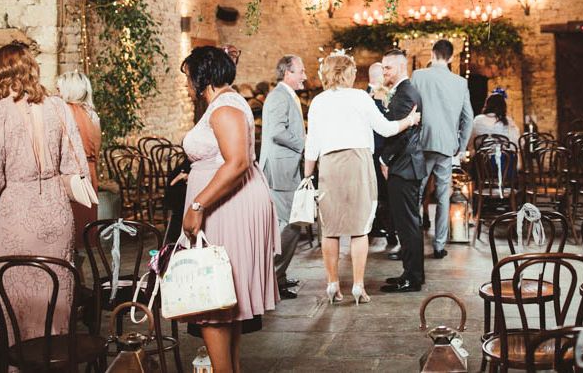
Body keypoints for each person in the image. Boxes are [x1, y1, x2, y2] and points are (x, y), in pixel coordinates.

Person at [0, 43, 89, 342]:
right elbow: (73, 164)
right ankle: (57, 357)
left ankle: (22, 358)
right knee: (57, 295)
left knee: (19, 302)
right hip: (56, 212)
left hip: (16, 213)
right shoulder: (58, 107)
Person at [180, 46, 279, 373]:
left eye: (188, 77)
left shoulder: (224, 108)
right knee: (222, 299)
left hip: (226, 206)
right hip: (228, 202)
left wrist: (197, 204)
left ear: (202, 75)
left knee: (211, 300)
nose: (187, 85)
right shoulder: (225, 104)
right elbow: (222, 157)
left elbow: (237, 162)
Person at [303, 52, 420, 305]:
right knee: (359, 229)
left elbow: (311, 145)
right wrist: (409, 120)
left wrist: (307, 176)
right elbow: (386, 129)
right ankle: (358, 286)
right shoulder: (360, 98)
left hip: (330, 165)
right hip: (358, 163)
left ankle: (332, 284)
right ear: (347, 73)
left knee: (330, 230)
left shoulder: (319, 102)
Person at [411, 39, 473, 259]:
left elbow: (410, 108)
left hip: (421, 143)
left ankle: (413, 243)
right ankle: (438, 245)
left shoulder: (418, 76)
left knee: (416, 193)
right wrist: (461, 145)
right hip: (447, 146)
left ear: (432, 53)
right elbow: (468, 118)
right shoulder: (460, 83)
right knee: (443, 195)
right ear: (451, 57)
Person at [259, 55, 307, 300]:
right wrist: (304, 143)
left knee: (290, 223)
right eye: (301, 71)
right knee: (290, 224)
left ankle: (277, 277)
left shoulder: (286, 94)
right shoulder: (279, 96)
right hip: (280, 170)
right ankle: (272, 278)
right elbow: (277, 131)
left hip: (285, 167)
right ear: (288, 72)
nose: (304, 76)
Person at [378, 49, 426, 293]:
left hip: (404, 166)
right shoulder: (402, 91)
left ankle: (413, 278)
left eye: (387, 67)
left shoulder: (406, 93)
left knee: (408, 225)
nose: (384, 72)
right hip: (405, 165)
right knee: (406, 223)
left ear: (399, 67)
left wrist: (385, 159)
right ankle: (410, 273)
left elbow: (400, 134)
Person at [57, 70, 101, 251]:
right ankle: (78, 276)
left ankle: (73, 276)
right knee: (82, 235)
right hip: (89, 174)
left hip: (73, 177)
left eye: (59, 89)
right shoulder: (91, 113)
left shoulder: (66, 112)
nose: (56, 94)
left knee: (69, 235)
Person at [368, 62, 398, 249]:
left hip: (379, 153)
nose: (387, 76)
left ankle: (384, 230)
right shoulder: (371, 97)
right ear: (376, 76)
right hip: (376, 153)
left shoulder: (380, 94)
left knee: (381, 196)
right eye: (384, 73)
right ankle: (388, 232)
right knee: (383, 196)